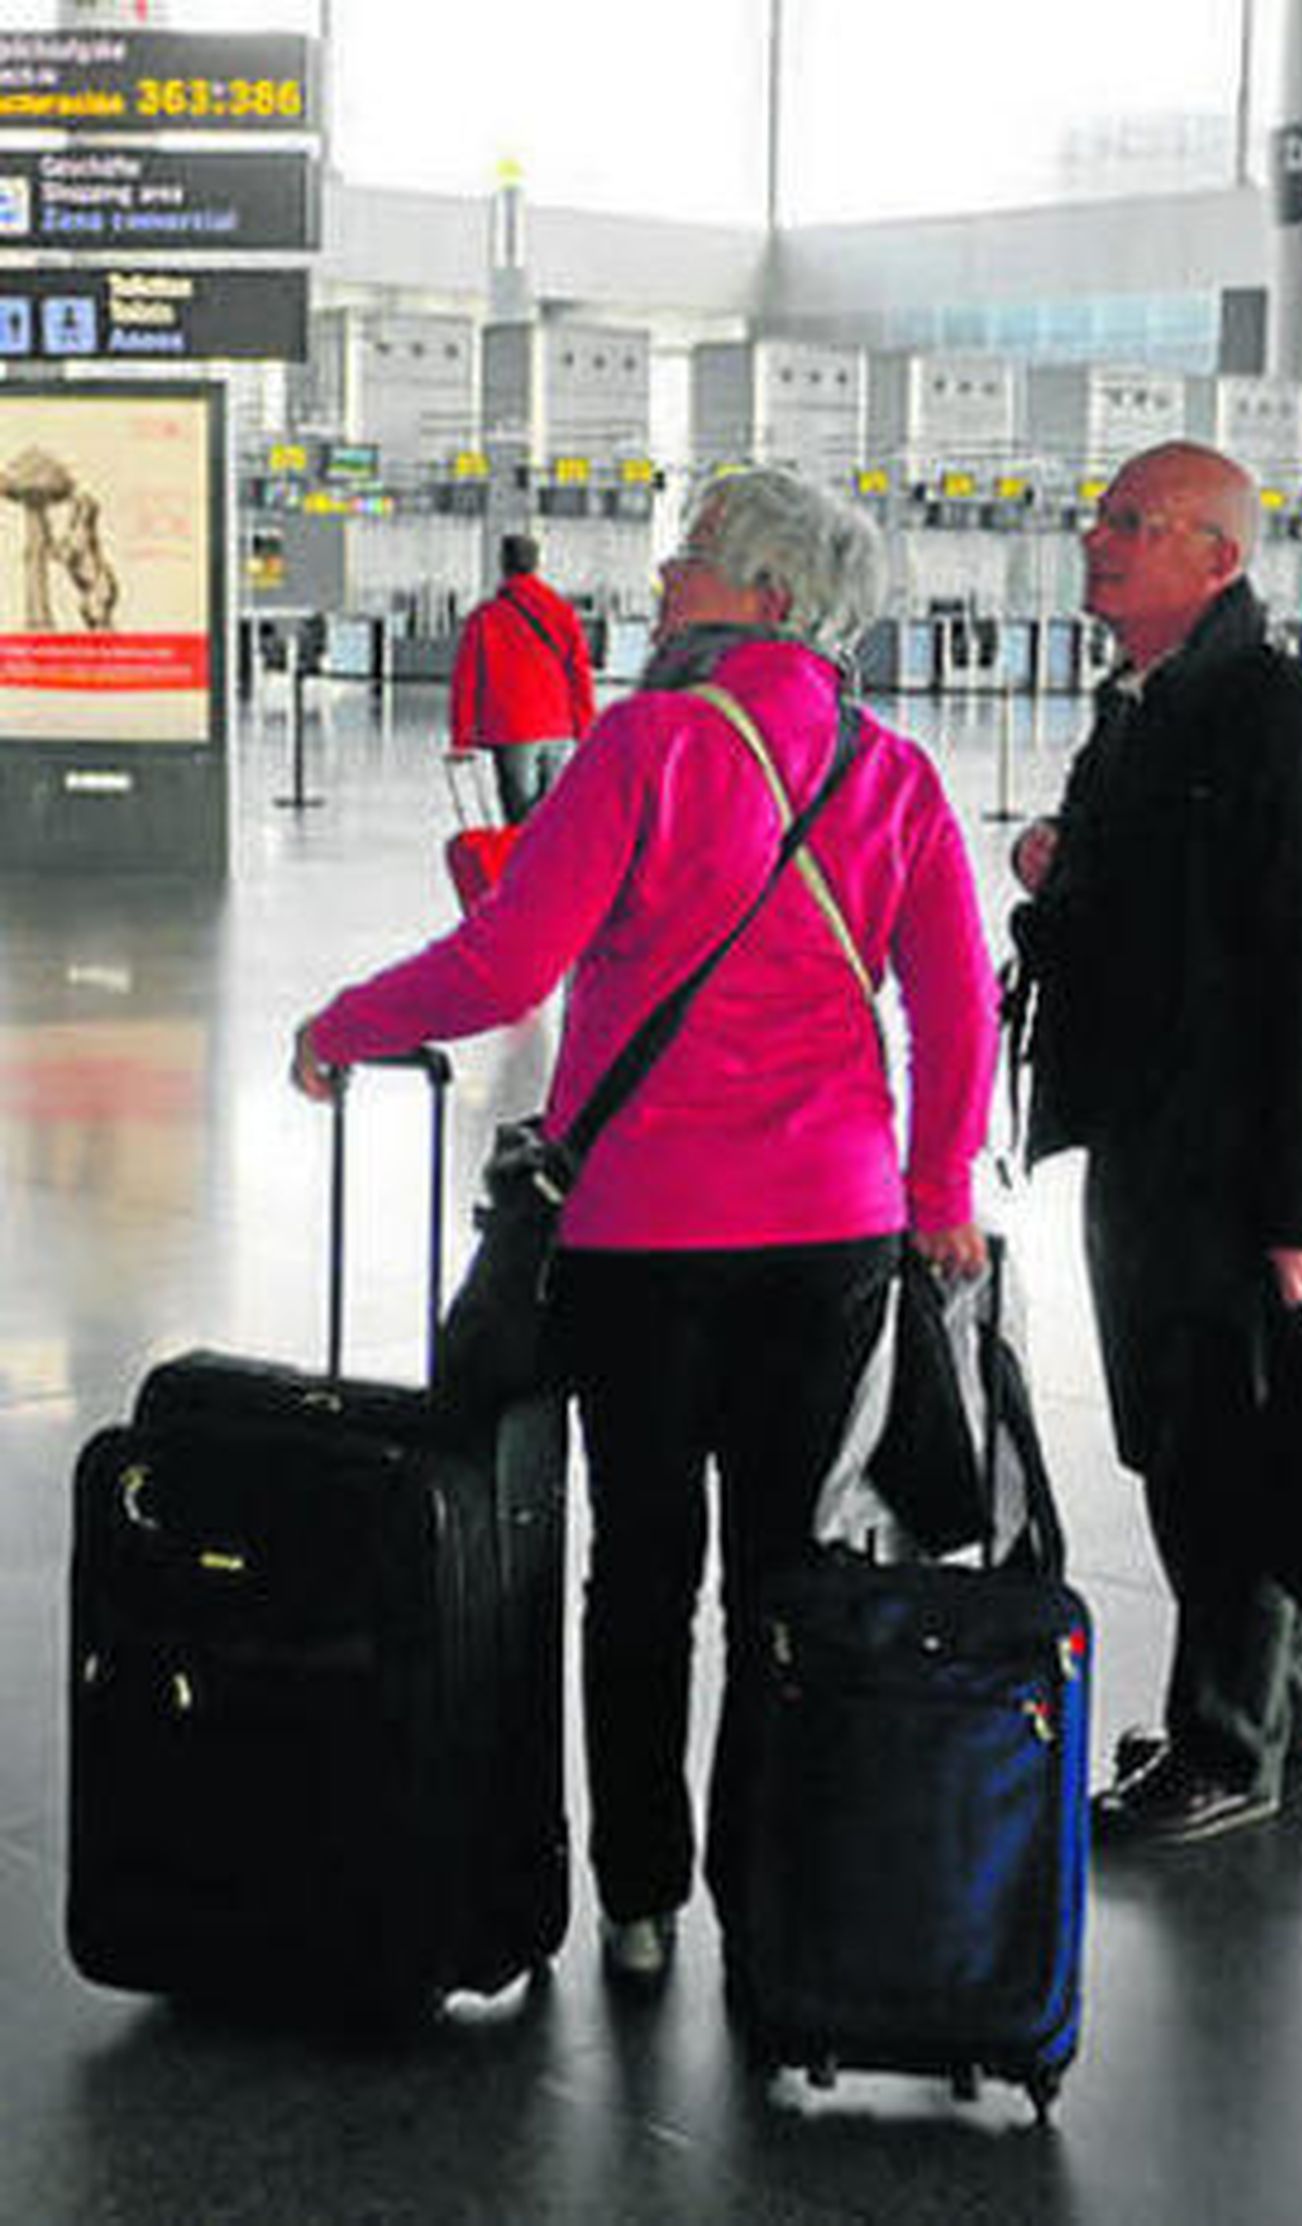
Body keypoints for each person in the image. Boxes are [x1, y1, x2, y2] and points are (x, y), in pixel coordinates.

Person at [291, 466, 998, 1981]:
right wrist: (940, 1194)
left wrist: (346, 1021)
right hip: (831, 1233)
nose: (665, 581)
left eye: (692, 562)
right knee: (784, 1571)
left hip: (645, 1230)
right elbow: (957, 1006)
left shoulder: (651, 743)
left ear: (765, 596)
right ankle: (767, 1890)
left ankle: (640, 1898)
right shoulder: (896, 772)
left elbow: (506, 966)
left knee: (644, 1563)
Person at [1009, 439, 1302, 1847]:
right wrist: (1059, 865)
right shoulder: (1152, 707)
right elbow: (1156, 913)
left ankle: (1226, 1745)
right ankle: (1289, 1697)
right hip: (1151, 1138)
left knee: (1218, 1452)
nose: (1099, 541)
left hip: (1237, 1167)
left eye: (1134, 522)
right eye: (1098, 515)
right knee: (1192, 1438)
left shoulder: (1279, 726)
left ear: (1217, 558)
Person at [448, 531, 597, 823]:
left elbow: (466, 681)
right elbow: (579, 673)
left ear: (503, 564)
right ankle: (551, 867)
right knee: (551, 820)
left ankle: (523, 867)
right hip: (558, 728)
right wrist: (585, 728)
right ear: (536, 564)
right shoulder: (562, 612)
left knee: (519, 823)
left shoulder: (486, 617)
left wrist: (462, 738)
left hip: (513, 729)